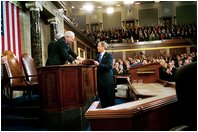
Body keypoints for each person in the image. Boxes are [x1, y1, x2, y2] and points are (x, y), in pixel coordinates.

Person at [94, 41, 115, 108]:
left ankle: (112, 112)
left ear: (103, 47)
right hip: (99, 79)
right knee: (102, 97)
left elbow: (109, 66)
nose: (97, 47)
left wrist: (99, 64)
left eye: (98, 46)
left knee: (110, 96)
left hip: (107, 79)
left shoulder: (109, 55)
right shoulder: (97, 56)